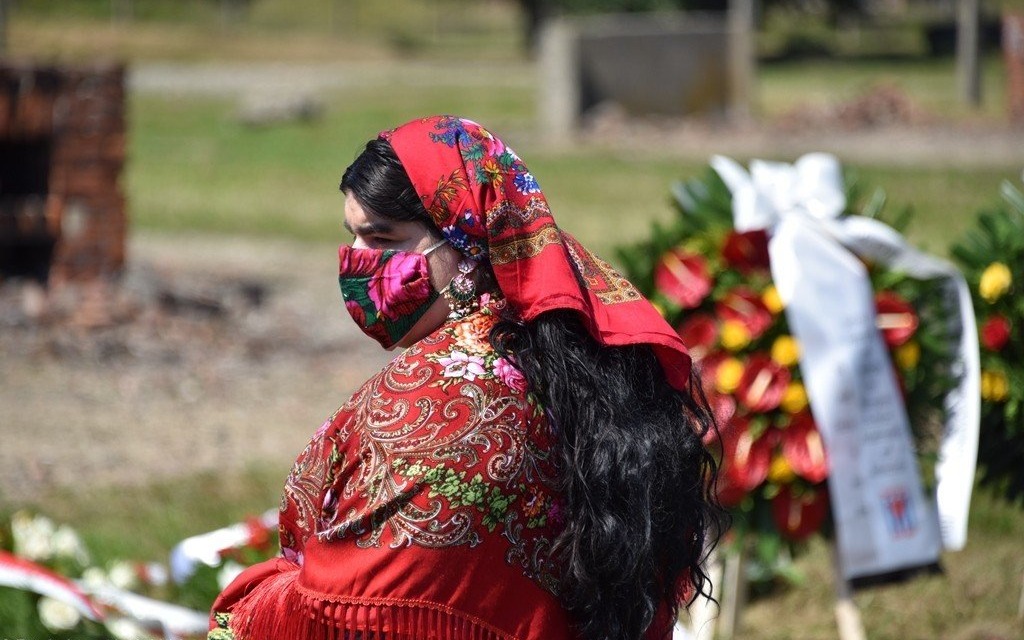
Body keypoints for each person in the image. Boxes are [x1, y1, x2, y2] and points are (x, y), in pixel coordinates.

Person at [209, 115, 721, 640]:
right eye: (353, 238)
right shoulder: (574, 358)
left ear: (467, 242)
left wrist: (249, 606)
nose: (359, 263)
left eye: (383, 238)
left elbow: (336, 610)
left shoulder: (436, 406)